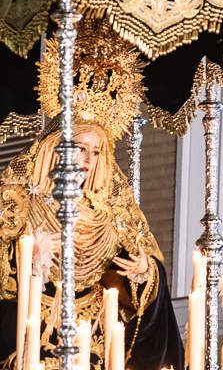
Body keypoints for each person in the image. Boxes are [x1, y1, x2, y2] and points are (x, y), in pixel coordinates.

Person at [0, 24, 183, 370]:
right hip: (28, 341)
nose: (87, 160)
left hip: (96, 346)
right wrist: (26, 256)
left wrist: (144, 273)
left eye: (96, 152)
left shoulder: (113, 210)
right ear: (54, 148)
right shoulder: (17, 198)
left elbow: (144, 273)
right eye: (79, 147)